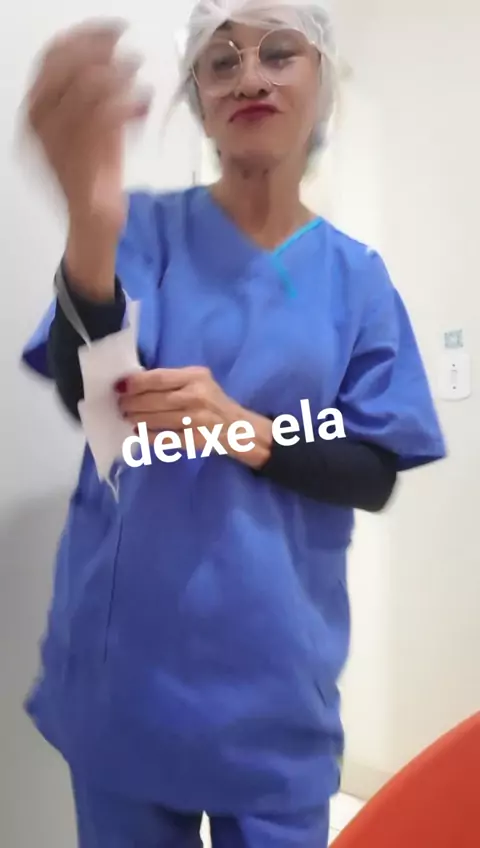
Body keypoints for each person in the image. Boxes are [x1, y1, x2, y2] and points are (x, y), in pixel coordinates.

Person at [21, 1, 446, 846]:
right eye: (222, 62)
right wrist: (90, 229)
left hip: (275, 692)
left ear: (322, 83)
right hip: (125, 680)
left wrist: (247, 430)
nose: (250, 76)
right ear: (198, 100)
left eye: (279, 53)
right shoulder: (138, 230)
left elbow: (373, 470)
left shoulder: (356, 278)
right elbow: (91, 405)